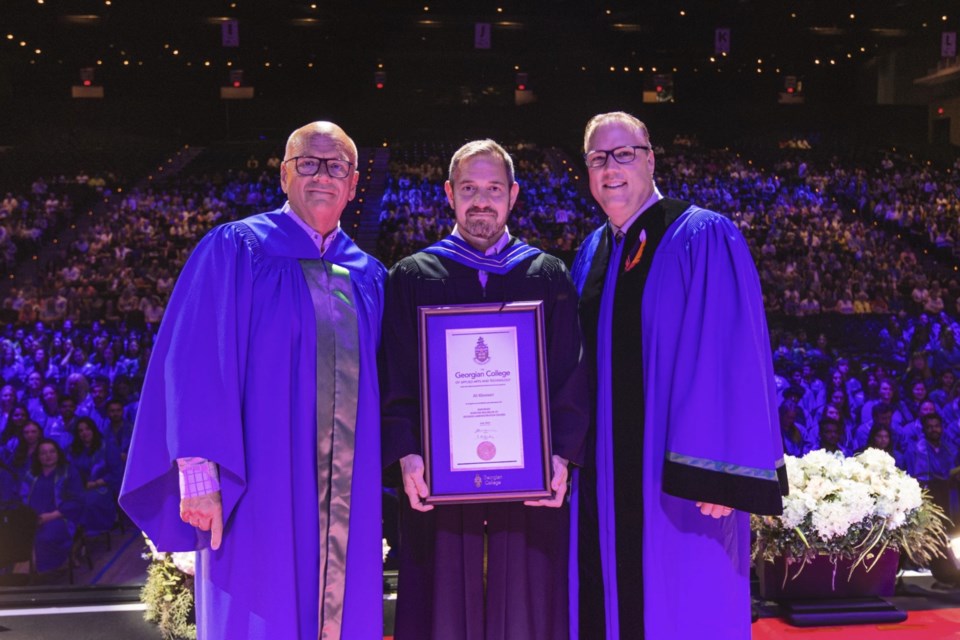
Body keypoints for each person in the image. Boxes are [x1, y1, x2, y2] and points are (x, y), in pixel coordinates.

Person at [120, 121, 386, 640]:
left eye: (337, 166)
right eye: (308, 162)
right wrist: (199, 478)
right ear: (284, 174)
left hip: (346, 495)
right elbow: (193, 361)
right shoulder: (237, 249)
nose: (322, 175)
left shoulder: (370, 275)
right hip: (258, 488)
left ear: (354, 184)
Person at [569, 112, 786, 639]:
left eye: (624, 154)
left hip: (677, 486)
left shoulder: (701, 235)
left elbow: (730, 356)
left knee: (684, 602)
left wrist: (718, 471)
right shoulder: (591, 253)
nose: (610, 168)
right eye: (598, 158)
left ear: (650, 158)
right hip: (601, 480)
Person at [381, 139, 588, 639]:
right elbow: (397, 375)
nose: (481, 200)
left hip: (528, 487)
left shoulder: (546, 275)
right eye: (469, 188)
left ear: (513, 195)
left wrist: (561, 457)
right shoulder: (412, 276)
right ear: (449, 194)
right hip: (440, 482)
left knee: (528, 598)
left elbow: (570, 374)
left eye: (493, 188)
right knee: (440, 598)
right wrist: (407, 453)